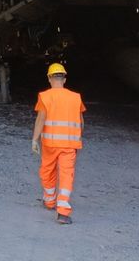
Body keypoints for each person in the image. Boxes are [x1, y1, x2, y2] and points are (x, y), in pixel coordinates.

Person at [32, 62, 86, 224]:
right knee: (66, 174)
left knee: (47, 170)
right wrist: (78, 137)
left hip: (50, 143)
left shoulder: (45, 96)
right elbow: (81, 122)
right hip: (69, 144)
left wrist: (35, 139)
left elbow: (41, 119)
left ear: (49, 78)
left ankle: (49, 201)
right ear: (64, 79)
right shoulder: (76, 97)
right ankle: (63, 212)